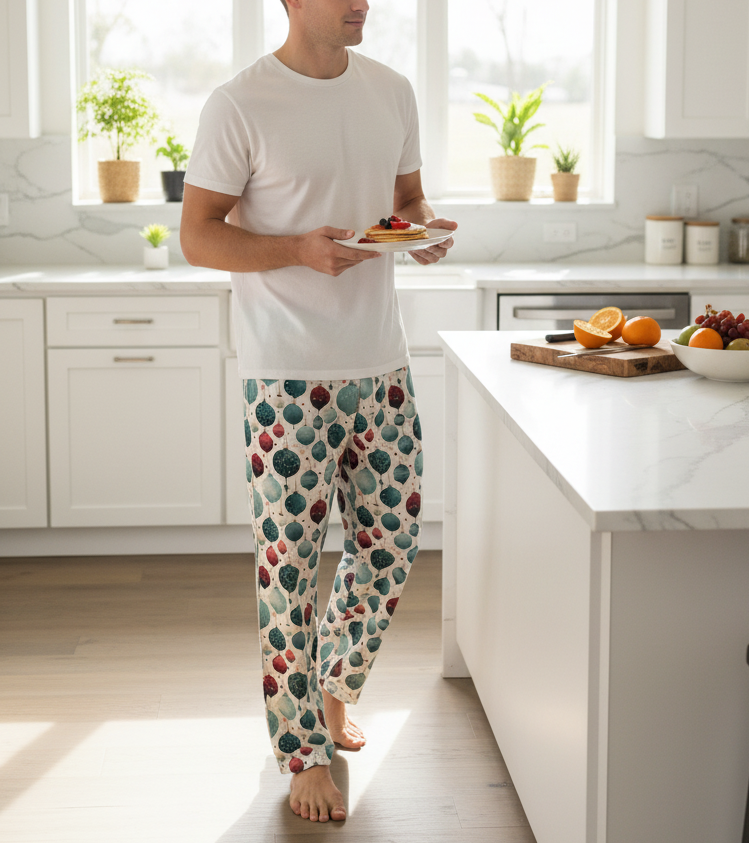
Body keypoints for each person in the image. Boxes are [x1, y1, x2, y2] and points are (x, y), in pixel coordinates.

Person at [179, 0, 457, 825]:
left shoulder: (392, 91)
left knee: (392, 544)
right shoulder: (239, 103)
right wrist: (295, 250)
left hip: (382, 363)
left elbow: (405, 202)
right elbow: (199, 235)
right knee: (290, 567)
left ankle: (333, 683)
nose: (362, 1)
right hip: (286, 379)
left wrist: (422, 232)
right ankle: (301, 749)